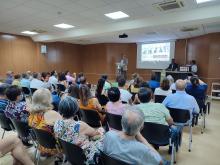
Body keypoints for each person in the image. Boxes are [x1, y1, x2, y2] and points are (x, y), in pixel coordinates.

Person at [54, 96, 104, 165]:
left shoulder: (57, 123)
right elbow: (95, 133)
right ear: (75, 110)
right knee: (102, 134)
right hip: (85, 157)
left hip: (69, 153)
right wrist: (101, 129)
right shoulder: (80, 125)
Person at [28, 88, 62, 156]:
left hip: (41, 145)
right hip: (56, 147)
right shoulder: (52, 113)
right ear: (47, 100)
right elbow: (65, 130)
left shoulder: (31, 114)